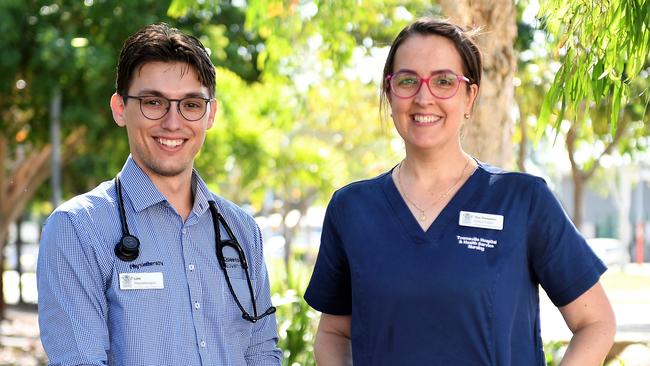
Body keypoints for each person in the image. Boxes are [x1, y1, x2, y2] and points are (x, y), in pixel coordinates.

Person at [304, 17, 616, 365]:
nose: (424, 97)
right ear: (389, 94)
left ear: (470, 96)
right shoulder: (352, 209)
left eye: (443, 81)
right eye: (408, 81)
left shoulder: (522, 200)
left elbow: (595, 322)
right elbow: (333, 333)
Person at [37, 23, 282, 366]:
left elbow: (261, 353)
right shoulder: (77, 230)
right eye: (154, 102)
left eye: (191, 104)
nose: (173, 122)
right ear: (120, 108)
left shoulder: (241, 231)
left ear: (210, 114)